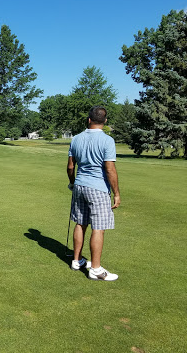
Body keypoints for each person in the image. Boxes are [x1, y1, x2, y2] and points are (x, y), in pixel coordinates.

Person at [66, 106, 121, 281]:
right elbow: (110, 169)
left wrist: (73, 182)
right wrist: (117, 193)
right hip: (98, 188)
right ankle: (95, 269)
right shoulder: (107, 141)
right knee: (98, 227)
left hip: (80, 186)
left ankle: (77, 260)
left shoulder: (76, 139)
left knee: (80, 223)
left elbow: (70, 166)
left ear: (89, 120)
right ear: (104, 122)